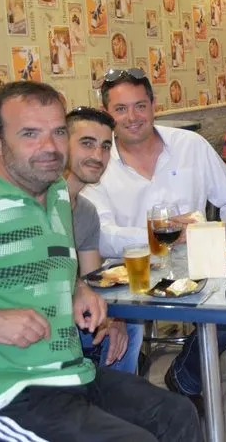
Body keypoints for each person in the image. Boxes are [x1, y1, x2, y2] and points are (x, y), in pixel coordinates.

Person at [0, 81, 201, 441]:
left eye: (58, 132)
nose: (49, 146)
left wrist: (76, 288)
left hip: (74, 375)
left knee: (177, 413)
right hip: (0, 396)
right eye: (30, 133)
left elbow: (49, 262)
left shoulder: (56, 194)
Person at [80, 68, 226, 413]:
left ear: (154, 105)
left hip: (197, 267)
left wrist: (224, 243)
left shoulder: (191, 146)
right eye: (120, 109)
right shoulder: (96, 162)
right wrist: (161, 234)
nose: (132, 117)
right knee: (122, 327)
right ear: (108, 114)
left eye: (140, 106)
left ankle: (185, 376)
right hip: (128, 276)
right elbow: (101, 234)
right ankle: (133, 400)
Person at [65, 106, 144, 374]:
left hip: (79, 312)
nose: (98, 155)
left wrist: (114, 319)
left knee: (128, 324)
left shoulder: (86, 212)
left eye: (105, 146)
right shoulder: (39, 204)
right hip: (46, 319)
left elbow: (93, 280)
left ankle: (118, 399)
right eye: (87, 144)